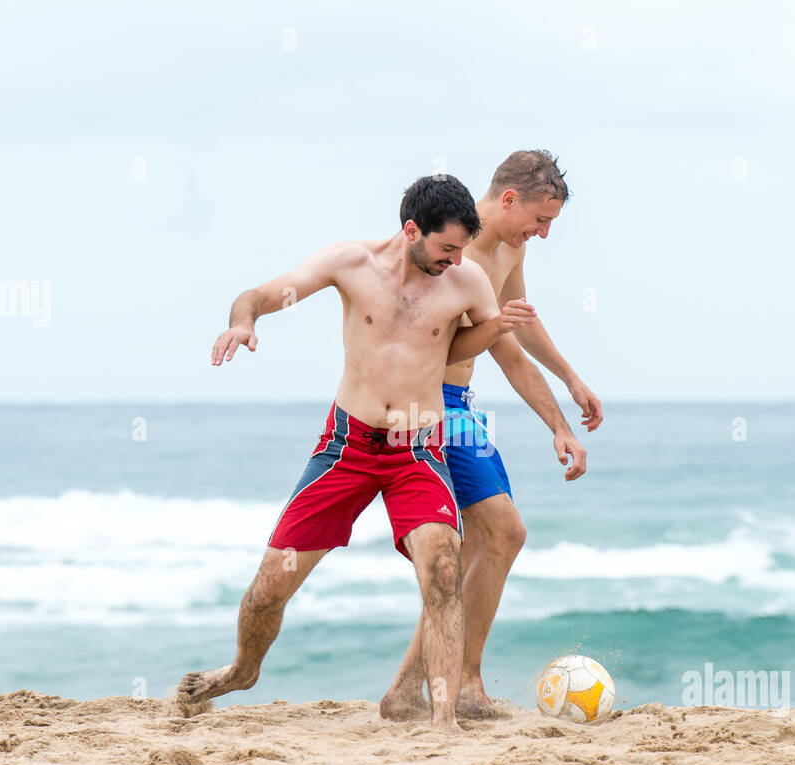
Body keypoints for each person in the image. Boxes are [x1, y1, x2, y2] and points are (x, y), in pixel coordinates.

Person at [174, 174, 535, 732]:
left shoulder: (466, 281)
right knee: (271, 585)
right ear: (411, 229)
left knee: (441, 567)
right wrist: (242, 322)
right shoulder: (350, 263)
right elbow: (261, 295)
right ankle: (243, 671)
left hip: (418, 448)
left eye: (463, 248)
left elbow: (453, 347)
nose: (456, 260)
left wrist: (493, 330)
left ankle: (442, 722)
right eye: (446, 248)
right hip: (347, 447)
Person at [379, 150, 603, 721]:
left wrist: (572, 378)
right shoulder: (456, 257)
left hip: (457, 405)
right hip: (426, 407)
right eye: (540, 218)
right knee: (500, 532)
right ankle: (465, 686)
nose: (543, 233)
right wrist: (557, 426)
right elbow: (504, 352)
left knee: (484, 540)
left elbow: (518, 322)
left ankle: (410, 689)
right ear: (509, 199)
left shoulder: (510, 246)